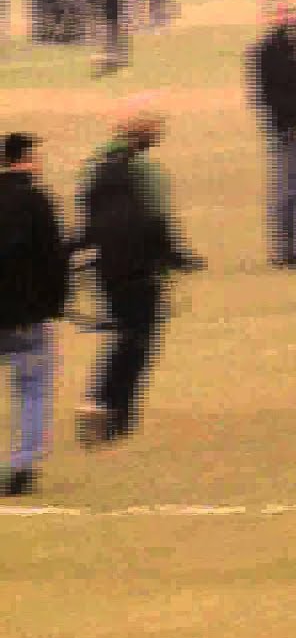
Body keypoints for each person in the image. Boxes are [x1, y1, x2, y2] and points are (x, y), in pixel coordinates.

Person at [72, 99, 205, 446]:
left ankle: (98, 402)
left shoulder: (93, 164)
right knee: (140, 342)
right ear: (146, 135)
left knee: (121, 335)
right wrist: (179, 258)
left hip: (104, 265)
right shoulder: (147, 170)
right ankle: (117, 414)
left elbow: (84, 215)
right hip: (142, 267)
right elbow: (158, 221)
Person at [0, 133, 69, 496]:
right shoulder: (37, 201)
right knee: (32, 388)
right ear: (24, 159)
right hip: (27, 316)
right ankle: (22, 464)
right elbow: (55, 261)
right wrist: (55, 305)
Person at [248, 0, 296, 269]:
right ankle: (285, 251)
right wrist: (287, 123)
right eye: (283, 11)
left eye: (291, 11)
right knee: (287, 189)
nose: (289, 16)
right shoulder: (268, 51)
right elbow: (267, 96)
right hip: (283, 128)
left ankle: (292, 248)